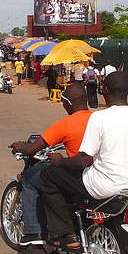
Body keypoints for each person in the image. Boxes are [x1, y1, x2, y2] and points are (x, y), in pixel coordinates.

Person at [39, 71, 128, 251]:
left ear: (104, 90)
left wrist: (60, 161)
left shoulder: (99, 117)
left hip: (102, 187)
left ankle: (67, 234)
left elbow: (82, 161)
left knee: (48, 175)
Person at [10, 83, 92, 245]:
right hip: (96, 174)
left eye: (63, 101)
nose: (62, 104)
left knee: (30, 176)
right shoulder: (98, 119)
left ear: (70, 103)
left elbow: (31, 150)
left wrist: (21, 147)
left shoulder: (65, 124)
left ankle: (35, 230)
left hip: (77, 175)